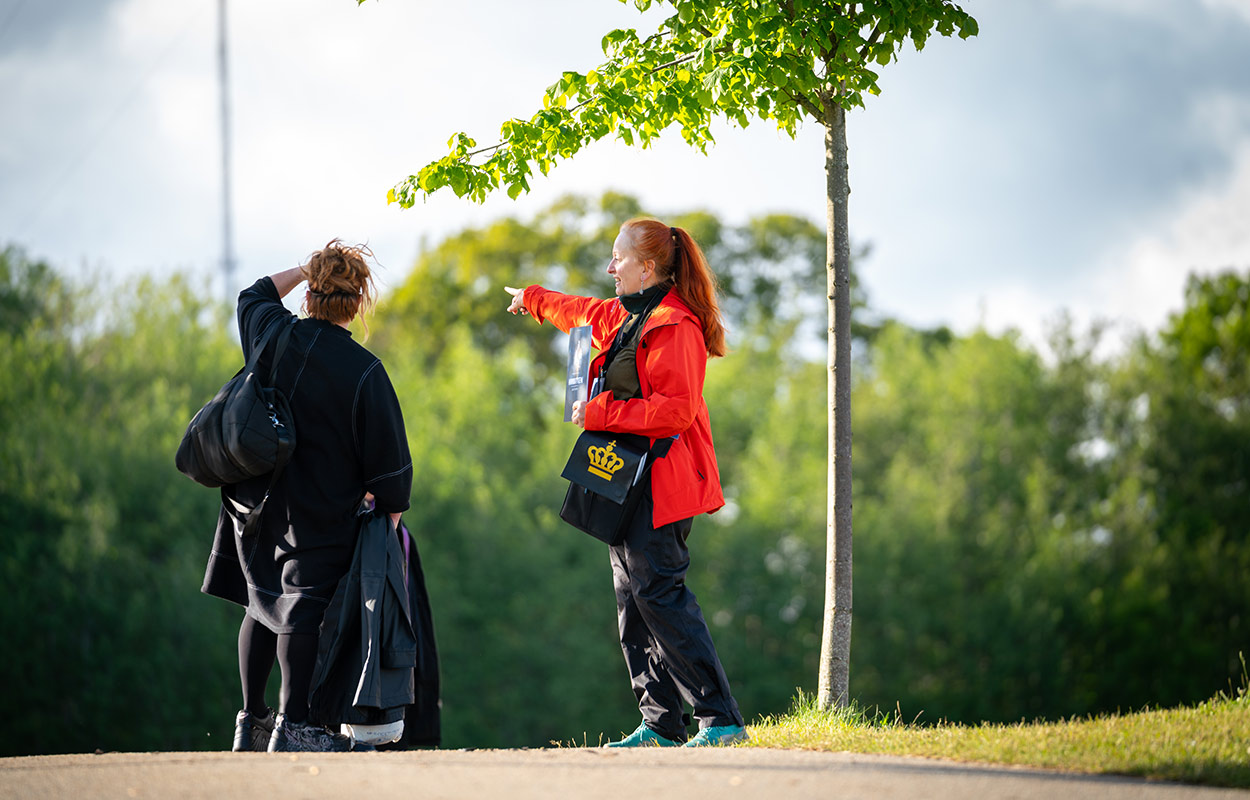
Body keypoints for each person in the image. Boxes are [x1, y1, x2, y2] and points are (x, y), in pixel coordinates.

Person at [504, 217, 748, 747]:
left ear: (649, 266)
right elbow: (577, 311)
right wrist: (532, 297)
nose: (610, 268)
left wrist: (599, 413)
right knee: (631, 600)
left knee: (660, 594)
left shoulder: (675, 326)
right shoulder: (622, 313)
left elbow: (676, 412)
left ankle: (721, 718)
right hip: (622, 480)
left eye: (619, 258)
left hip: (664, 484)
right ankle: (661, 724)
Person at [202, 240, 413, 753]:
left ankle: (251, 723)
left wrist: (303, 269)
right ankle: (293, 726)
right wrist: (388, 519)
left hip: (251, 502)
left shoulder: (273, 334)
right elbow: (391, 474)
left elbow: (254, 294)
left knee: (259, 605)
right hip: (318, 513)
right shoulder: (365, 371)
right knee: (299, 610)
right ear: (359, 302)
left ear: (311, 293)